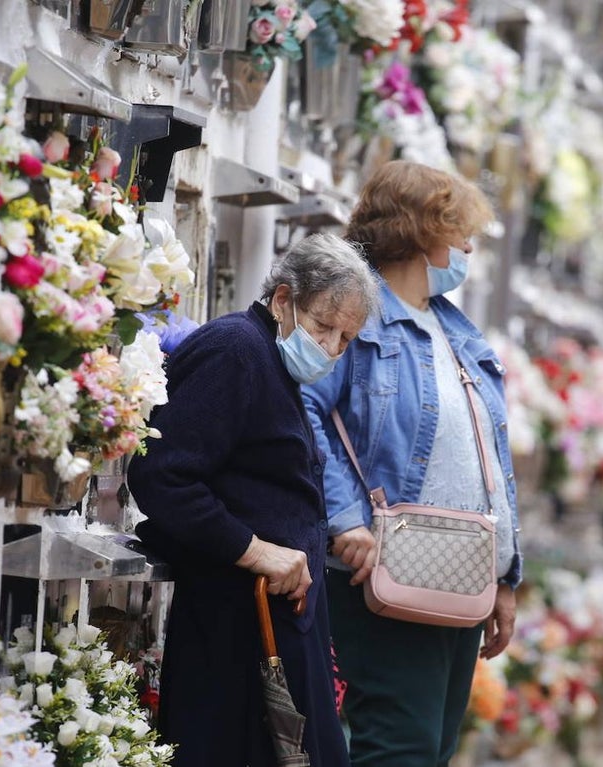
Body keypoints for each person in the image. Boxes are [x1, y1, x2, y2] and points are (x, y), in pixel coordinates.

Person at [126, 234, 379, 767]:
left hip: (271, 626)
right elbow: (162, 476)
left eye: (345, 338)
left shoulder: (270, 360)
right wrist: (255, 550)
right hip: (237, 632)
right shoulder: (236, 349)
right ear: (284, 299)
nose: (331, 348)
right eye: (323, 326)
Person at [303, 160, 522, 766]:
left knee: (432, 749)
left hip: (461, 573)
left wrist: (504, 576)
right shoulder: (361, 315)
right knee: (400, 748)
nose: (468, 249)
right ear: (419, 232)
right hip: (388, 567)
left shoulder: (455, 329)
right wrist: (345, 519)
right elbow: (303, 409)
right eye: (458, 232)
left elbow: (489, 462)